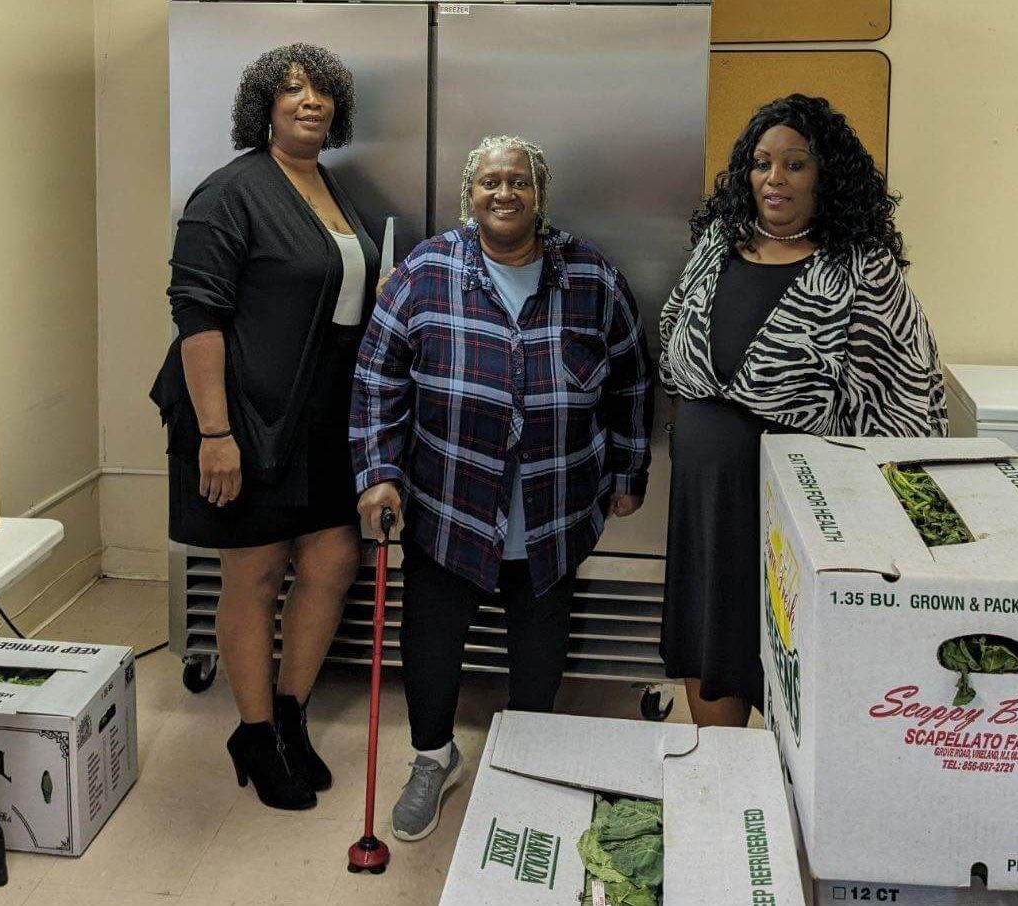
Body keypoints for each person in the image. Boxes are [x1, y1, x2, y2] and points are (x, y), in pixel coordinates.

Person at [351, 135, 653, 841]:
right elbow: (375, 382)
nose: (505, 193)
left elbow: (633, 375)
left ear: (540, 194)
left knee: (540, 647)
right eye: (490, 182)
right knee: (430, 641)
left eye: (519, 181)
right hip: (448, 503)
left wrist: (629, 471)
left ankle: (531, 761)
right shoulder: (425, 272)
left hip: (554, 507)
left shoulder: (590, 274)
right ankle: (433, 757)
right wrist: (378, 475)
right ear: (470, 195)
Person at [658, 94, 946, 729]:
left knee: (798, 654)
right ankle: (728, 782)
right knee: (709, 637)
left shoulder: (860, 267)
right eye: (762, 163)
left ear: (825, 175)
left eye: (795, 164)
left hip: (802, 506)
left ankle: (789, 798)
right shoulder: (716, 245)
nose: (774, 179)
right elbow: (674, 330)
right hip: (707, 495)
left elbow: (908, 389)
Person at [150, 44, 380, 810]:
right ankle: (253, 732)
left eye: (322, 91)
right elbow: (198, 316)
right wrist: (217, 434)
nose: (309, 102)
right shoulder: (229, 193)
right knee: (253, 571)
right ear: (264, 107)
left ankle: (289, 712)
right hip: (241, 412)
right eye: (292, 91)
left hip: (319, 415)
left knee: (333, 559)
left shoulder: (328, 184)